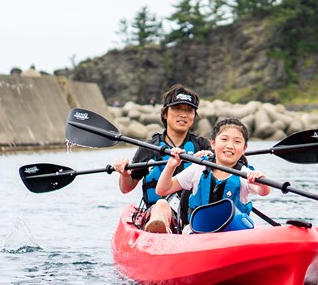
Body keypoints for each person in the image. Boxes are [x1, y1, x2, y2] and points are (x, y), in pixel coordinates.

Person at [113, 84, 209, 233]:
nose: (183, 114)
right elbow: (126, 188)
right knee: (162, 205)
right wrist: (124, 174)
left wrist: (209, 158)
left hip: (193, 215)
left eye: (189, 110)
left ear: (194, 117)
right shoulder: (149, 148)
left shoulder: (203, 146)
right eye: (177, 109)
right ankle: (161, 231)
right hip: (156, 212)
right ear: (165, 114)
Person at [154, 118, 270, 231]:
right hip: (198, 232)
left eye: (237, 141)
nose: (230, 145)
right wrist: (171, 166)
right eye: (224, 139)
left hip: (233, 232)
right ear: (213, 144)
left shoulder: (245, 174)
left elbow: (263, 191)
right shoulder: (198, 167)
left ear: (244, 148)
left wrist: (260, 179)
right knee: (161, 204)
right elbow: (162, 190)